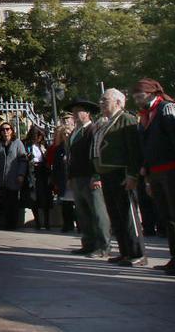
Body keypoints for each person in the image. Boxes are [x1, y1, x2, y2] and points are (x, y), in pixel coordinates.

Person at [93, 88, 146, 267]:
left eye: (105, 100)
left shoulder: (127, 120)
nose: (101, 103)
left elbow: (134, 151)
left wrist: (132, 175)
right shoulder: (106, 122)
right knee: (116, 216)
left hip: (122, 174)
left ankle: (137, 253)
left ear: (118, 102)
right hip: (107, 175)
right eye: (101, 100)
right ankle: (125, 252)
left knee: (128, 216)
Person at [132, 78, 175, 275]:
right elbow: (146, 146)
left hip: (170, 170)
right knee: (166, 217)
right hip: (155, 172)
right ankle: (174, 258)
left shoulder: (166, 109)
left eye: (139, 96)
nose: (137, 100)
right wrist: (145, 167)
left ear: (151, 93)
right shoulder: (145, 114)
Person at [66, 98, 111, 258]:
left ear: (88, 113)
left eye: (79, 111)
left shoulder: (93, 129)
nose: (75, 114)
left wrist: (97, 175)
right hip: (77, 178)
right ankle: (88, 243)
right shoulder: (74, 133)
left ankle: (103, 245)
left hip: (90, 177)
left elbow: (97, 154)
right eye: (74, 111)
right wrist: (70, 177)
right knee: (83, 213)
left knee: (97, 212)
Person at [0, 122, 28, 230]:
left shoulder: (17, 143)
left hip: (14, 177)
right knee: (4, 201)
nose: (5, 131)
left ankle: (13, 224)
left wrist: (21, 174)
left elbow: (23, 160)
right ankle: (7, 223)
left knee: (13, 201)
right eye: (3, 130)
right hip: (1, 178)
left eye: (8, 129)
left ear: (12, 130)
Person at [48, 125, 77, 232]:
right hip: (63, 180)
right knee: (65, 204)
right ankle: (67, 225)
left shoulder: (75, 146)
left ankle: (80, 225)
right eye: (64, 134)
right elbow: (55, 166)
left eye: (68, 133)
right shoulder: (59, 149)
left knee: (78, 204)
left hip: (74, 179)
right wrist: (55, 180)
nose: (66, 135)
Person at [25, 126, 52, 230]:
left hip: (43, 172)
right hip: (32, 172)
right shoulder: (27, 144)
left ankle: (47, 222)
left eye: (41, 136)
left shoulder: (44, 145)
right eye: (37, 136)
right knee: (34, 197)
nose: (39, 138)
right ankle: (37, 222)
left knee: (45, 197)